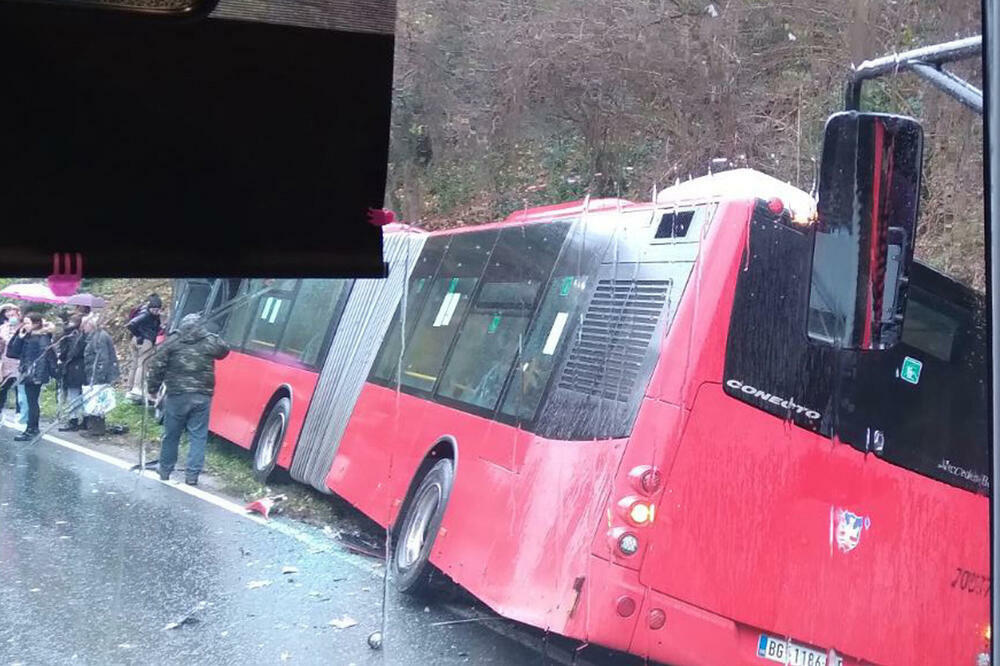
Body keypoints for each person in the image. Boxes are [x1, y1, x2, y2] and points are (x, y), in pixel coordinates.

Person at [147, 313, 229, 486]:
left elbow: (157, 365)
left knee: (171, 434)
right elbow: (224, 350)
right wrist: (208, 333)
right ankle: (192, 475)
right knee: (198, 435)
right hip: (202, 395)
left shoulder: (173, 340)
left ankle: (165, 469)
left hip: (177, 394)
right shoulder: (209, 341)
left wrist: (152, 389)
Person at [6, 312, 57, 441]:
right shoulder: (28, 336)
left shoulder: (42, 338)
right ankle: (32, 427)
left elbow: (44, 358)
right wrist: (19, 336)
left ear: (36, 323)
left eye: (28, 323)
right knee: (30, 401)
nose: (25, 325)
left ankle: (32, 428)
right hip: (27, 372)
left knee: (32, 402)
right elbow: (12, 352)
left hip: (35, 374)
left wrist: (37, 375)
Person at [81, 314, 120, 437]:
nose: (83, 328)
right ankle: (94, 427)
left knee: (97, 400)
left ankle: (96, 429)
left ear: (90, 324)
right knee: (95, 400)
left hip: (99, 374)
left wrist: (97, 376)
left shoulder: (99, 338)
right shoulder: (95, 336)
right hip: (95, 372)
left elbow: (102, 358)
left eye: (84, 325)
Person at [126, 293, 163, 403]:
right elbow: (131, 324)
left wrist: (137, 336)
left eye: (158, 310)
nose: (156, 312)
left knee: (134, 365)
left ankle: (130, 389)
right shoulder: (146, 315)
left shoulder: (143, 311)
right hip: (145, 341)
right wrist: (140, 336)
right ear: (150, 307)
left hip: (136, 341)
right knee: (142, 365)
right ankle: (137, 388)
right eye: (155, 309)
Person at [57, 314, 87, 431]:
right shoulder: (85, 335)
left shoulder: (69, 336)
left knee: (73, 395)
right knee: (82, 395)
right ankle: (85, 419)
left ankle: (73, 419)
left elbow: (65, 353)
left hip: (73, 368)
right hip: (83, 368)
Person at [0, 304, 21, 418]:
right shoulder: (3, 327)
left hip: (19, 362)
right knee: (3, 387)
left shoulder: (23, 327)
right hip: (5, 361)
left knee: (19, 388)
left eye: (12, 313)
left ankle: (19, 412)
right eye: (7, 313)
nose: (10, 315)